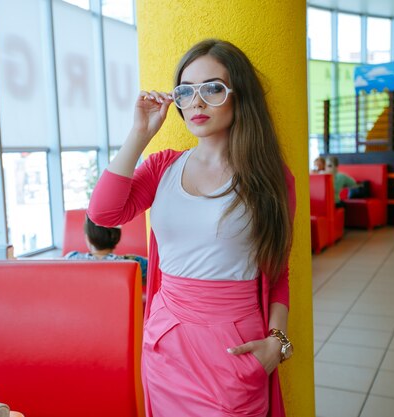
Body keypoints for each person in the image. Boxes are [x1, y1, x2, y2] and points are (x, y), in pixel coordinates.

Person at [87, 39, 295, 417]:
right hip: (166, 345)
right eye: (186, 91)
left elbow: (278, 270)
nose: (197, 102)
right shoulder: (163, 166)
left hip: (234, 349)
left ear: (239, 95)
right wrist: (140, 133)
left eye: (213, 88)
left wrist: (276, 342)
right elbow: (103, 213)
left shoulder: (271, 178)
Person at [64, 216, 148, 284]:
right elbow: (155, 268)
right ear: (117, 237)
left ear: (88, 238)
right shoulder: (134, 262)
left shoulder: (71, 259)